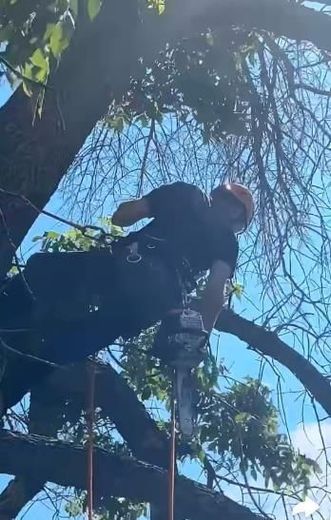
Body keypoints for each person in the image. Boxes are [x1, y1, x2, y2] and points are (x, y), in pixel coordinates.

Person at [0, 181, 254, 414]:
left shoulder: (186, 195)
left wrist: (158, 204)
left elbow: (123, 217)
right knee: (64, 349)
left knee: (42, 270)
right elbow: (214, 294)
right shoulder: (227, 242)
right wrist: (198, 340)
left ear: (218, 194)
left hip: (120, 266)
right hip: (148, 305)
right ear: (238, 218)